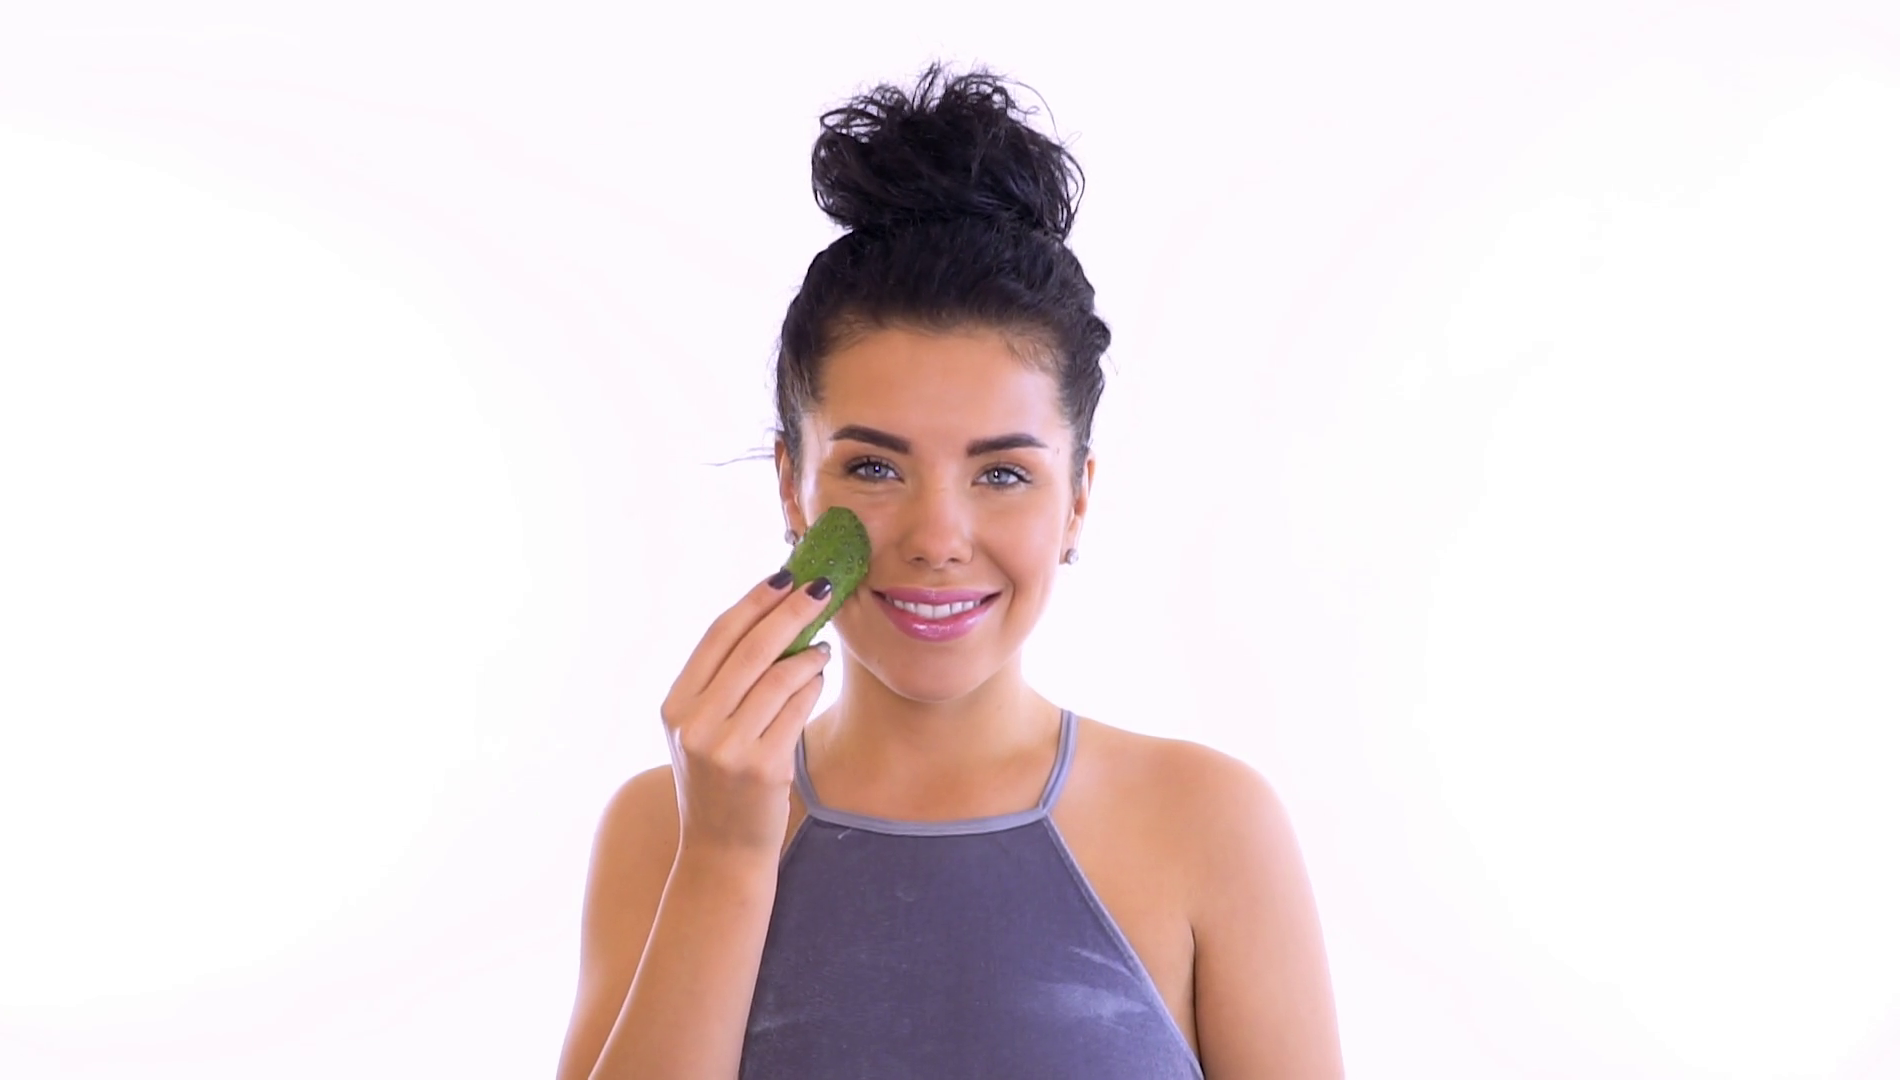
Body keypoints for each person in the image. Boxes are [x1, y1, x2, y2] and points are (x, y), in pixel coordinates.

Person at [555, 62, 1345, 1080]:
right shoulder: (660, 829)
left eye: (1003, 472)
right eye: (874, 467)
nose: (937, 537)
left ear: (1079, 497)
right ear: (792, 485)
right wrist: (724, 856)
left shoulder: (1211, 824)